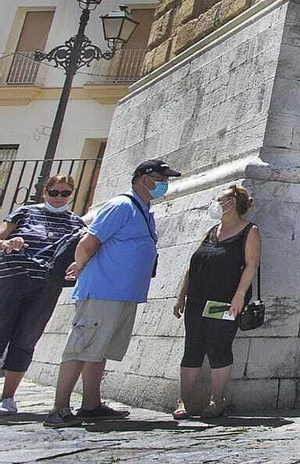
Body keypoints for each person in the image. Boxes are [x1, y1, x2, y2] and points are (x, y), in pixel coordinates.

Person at [47, 158, 181, 428]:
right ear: (145, 179)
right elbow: (89, 242)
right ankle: (58, 409)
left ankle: (91, 405)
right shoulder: (121, 205)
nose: (165, 184)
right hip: (102, 291)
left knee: (99, 350)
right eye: (161, 179)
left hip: (123, 293)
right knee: (80, 348)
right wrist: (81, 266)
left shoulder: (143, 210)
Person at [172, 183, 261, 419]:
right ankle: (183, 400)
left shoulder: (249, 231)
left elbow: (251, 265)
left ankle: (217, 400)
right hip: (197, 299)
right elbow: (193, 265)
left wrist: (239, 296)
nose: (215, 203)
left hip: (224, 300)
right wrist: (182, 295)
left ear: (231, 204)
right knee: (192, 347)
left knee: (219, 347)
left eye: (219, 200)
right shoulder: (212, 230)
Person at [0, 174, 85, 416]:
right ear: (45, 192)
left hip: (46, 286)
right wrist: (8, 243)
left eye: (65, 193)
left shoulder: (77, 224)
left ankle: (8, 396)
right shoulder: (25, 212)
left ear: (71, 195)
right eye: (54, 192)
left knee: (26, 338)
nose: (59, 198)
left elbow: (83, 252)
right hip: (11, 279)